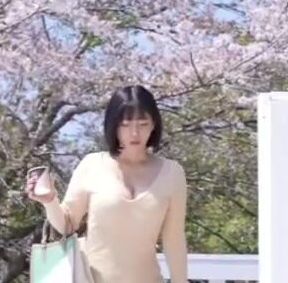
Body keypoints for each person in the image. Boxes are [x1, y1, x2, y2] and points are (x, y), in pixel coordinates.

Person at [25, 85, 188, 283]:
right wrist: (49, 201)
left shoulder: (172, 173)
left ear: (154, 124)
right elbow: (67, 225)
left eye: (143, 123)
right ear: (113, 125)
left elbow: (174, 240)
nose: (134, 133)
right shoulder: (93, 165)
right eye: (125, 124)